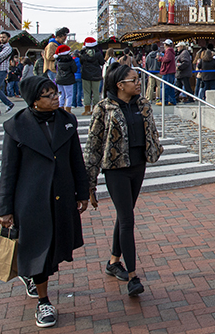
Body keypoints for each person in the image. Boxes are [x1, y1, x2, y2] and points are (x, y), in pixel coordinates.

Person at [0, 76, 90, 328]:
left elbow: (76, 160)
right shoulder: (16, 127)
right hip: (30, 200)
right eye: (49, 95)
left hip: (60, 195)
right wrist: (4, 209)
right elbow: (8, 170)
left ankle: (30, 276)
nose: (56, 98)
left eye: (55, 93)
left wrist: (83, 192)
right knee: (39, 249)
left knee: (53, 249)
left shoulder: (67, 121)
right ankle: (44, 302)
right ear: (34, 101)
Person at [85, 63, 163, 298]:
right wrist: (90, 182)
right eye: (134, 80)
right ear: (120, 85)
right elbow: (93, 146)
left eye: (138, 79)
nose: (139, 83)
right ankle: (132, 276)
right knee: (128, 219)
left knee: (125, 213)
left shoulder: (143, 105)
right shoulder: (104, 108)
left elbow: (151, 132)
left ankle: (113, 262)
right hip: (115, 169)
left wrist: (155, 148)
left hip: (138, 166)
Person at [0, 31, 16, 115]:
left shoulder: (8, 48)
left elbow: (0, 55)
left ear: (8, 38)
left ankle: (9, 103)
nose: (1, 39)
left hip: (1, 70)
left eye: (3, 37)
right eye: (0, 37)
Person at [80, 37, 104, 116]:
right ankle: (95, 109)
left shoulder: (83, 54)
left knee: (87, 92)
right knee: (96, 92)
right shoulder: (98, 53)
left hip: (86, 75)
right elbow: (102, 62)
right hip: (96, 75)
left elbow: (81, 62)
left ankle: (86, 110)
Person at [157, 39, 177, 105]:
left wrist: (160, 58)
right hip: (171, 71)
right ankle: (172, 100)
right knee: (170, 87)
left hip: (167, 71)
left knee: (164, 86)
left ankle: (164, 100)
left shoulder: (168, 51)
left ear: (166, 44)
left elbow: (167, 59)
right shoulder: (171, 51)